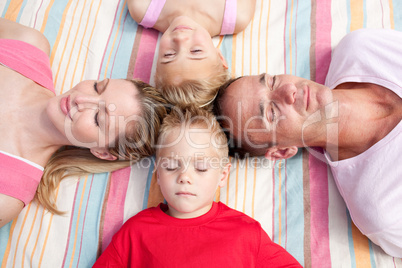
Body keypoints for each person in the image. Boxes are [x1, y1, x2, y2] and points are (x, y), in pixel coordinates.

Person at [212, 28, 402, 257]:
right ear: (282, 151)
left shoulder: (363, 49)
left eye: (272, 81)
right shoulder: (382, 209)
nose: (289, 90)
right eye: (271, 112)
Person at [0, 18, 168, 228]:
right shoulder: (27, 44)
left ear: (102, 152)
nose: (80, 100)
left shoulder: (7, 193)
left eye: (98, 118)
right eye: (98, 87)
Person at [93, 107, 302, 267]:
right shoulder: (135, 232)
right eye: (171, 166)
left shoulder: (245, 233)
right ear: (157, 172)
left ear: (223, 174)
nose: (184, 177)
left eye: (201, 168)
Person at [127, 0, 256, 107]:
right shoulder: (238, 14)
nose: (181, 39)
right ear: (220, 57)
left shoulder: (143, 7)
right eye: (196, 51)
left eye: (169, 54)